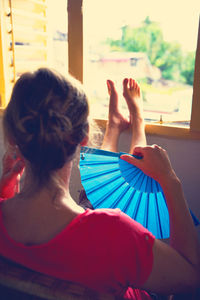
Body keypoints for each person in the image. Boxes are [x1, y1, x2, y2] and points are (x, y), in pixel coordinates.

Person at [0, 68, 199, 300]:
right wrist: (169, 180)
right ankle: (137, 123)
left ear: (13, 138)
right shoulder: (115, 232)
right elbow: (190, 278)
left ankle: (117, 125)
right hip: (134, 277)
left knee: (97, 201)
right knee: (124, 198)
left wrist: (5, 191)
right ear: (84, 137)